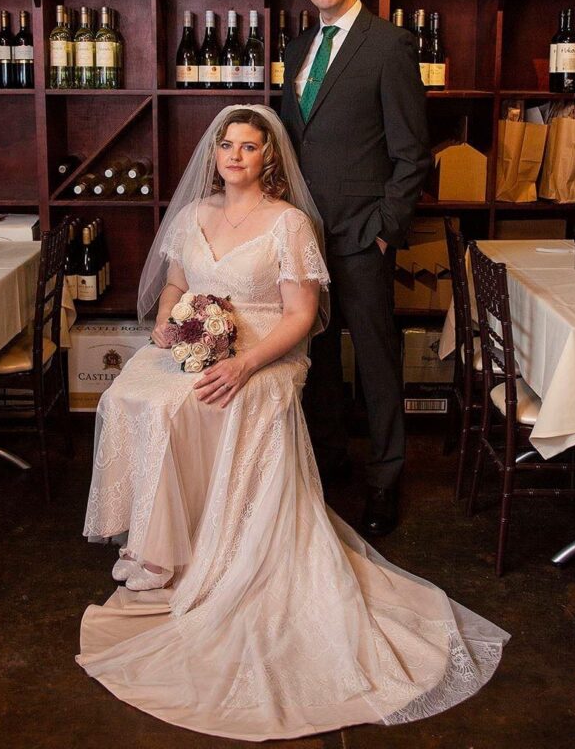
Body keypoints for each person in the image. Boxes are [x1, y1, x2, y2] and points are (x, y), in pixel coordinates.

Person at [77, 104, 508, 742]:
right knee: (129, 396)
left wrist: (246, 362)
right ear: (215, 154)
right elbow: (172, 286)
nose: (235, 156)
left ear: (268, 158)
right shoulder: (193, 216)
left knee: (193, 401)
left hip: (266, 354)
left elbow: (302, 314)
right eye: (227, 145)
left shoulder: (291, 224)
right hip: (194, 347)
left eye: (249, 147)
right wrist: (167, 325)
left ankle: (220, 545)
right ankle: (164, 546)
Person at [281, 0, 432, 537]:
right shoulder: (297, 49)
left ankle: (386, 478)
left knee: (375, 360)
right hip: (302, 238)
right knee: (315, 358)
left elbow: (413, 153)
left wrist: (385, 229)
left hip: (363, 235)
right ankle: (331, 458)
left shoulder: (388, 44)